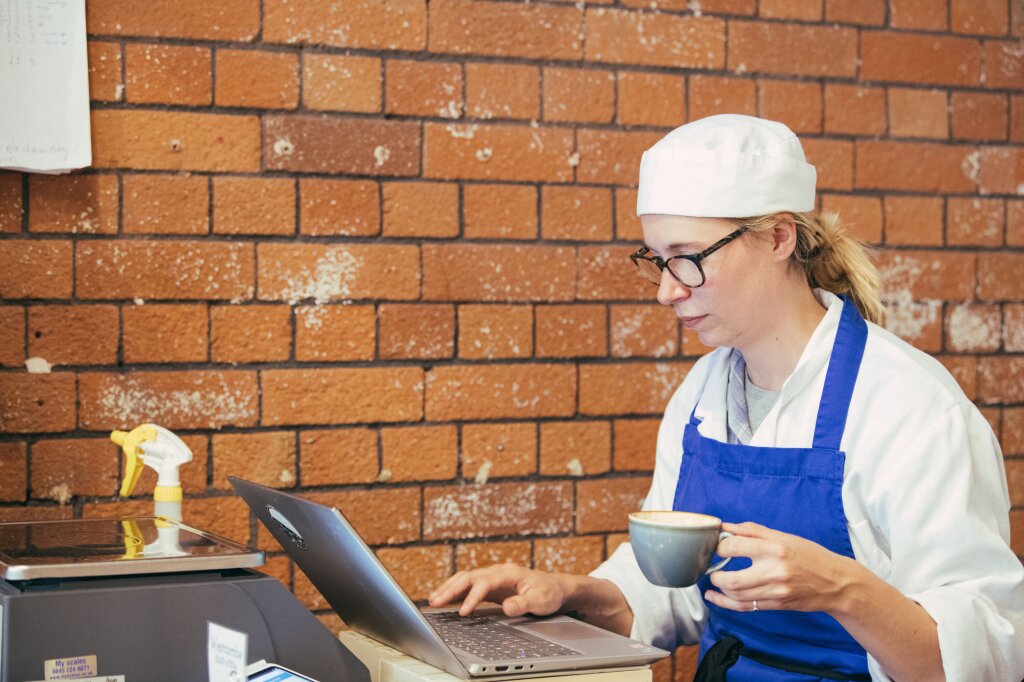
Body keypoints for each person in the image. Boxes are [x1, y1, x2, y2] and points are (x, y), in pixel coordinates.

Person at [428, 114, 1024, 681]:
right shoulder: (703, 392)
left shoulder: (912, 408)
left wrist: (843, 588)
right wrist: (575, 594)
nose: (666, 291)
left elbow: (986, 657)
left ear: (777, 238)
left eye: (687, 259)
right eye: (657, 261)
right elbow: (675, 599)